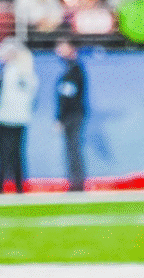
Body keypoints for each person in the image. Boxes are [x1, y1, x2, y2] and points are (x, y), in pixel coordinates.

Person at [0, 38, 38, 194]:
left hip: (6, 117)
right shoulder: (22, 71)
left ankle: (4, 186)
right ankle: (16, 186)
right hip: (15, 118)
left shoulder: (13, 70)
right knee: (13, 153)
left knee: (6, 154)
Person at [54, 37, 87, 192]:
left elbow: (68, 98)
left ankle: (77, 183)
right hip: (72, 114)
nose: (58, 50)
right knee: (71, 149)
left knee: (73, 149)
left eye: (62, 46)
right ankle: (75, 181)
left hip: (73, 115)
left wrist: (61, 118)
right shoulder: (71, 69)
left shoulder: (74, 70)